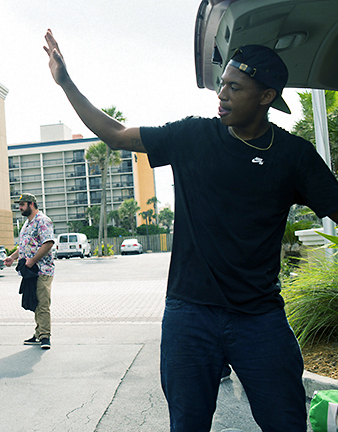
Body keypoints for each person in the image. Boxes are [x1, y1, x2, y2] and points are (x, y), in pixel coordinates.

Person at [44, 29, 338, 431]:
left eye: (235, 87)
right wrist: (66, 83)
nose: (222, 95)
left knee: (286, 422)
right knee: (187, 424)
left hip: (259, 318)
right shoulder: (193, 136)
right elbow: (115, 135)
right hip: (190, 314)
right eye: (222, 85)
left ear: (266, 96)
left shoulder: (293, 156)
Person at [4, 193, 55, 349]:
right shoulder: (27, 224)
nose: (19, 207)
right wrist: (12, 258)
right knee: (35, 301)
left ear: (31, 204)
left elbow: (48, 243)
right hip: (30, 271)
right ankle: (39, 333)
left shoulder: (42, 221)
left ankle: (45, 337)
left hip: (41, 270)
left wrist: (32, 260)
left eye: (22, 204)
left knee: (42, 303)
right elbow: (24, 246)